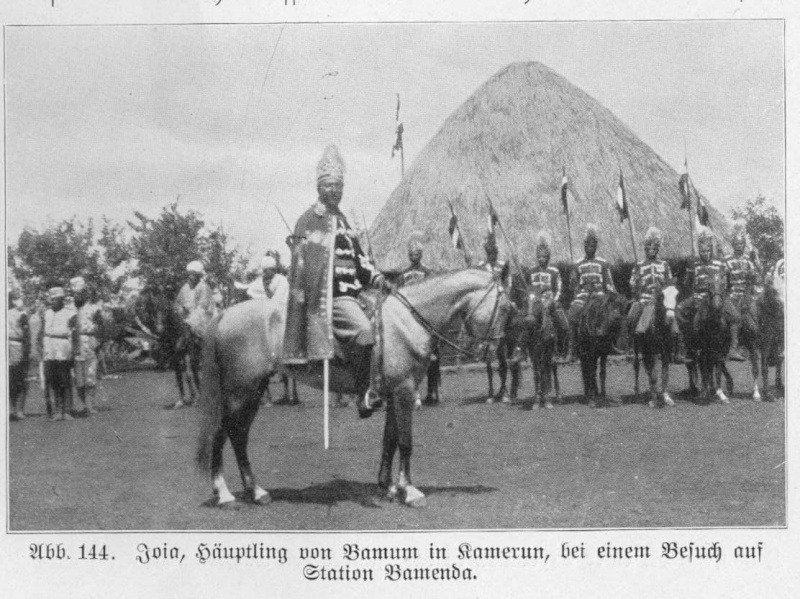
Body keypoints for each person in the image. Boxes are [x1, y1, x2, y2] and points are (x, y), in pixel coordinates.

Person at [283, 144, 389, 418]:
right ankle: (363, 394)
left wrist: (376, 278)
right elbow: (302, 265)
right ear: (319, 187)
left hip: (355, 293)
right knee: (365, 332)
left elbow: (359, 259)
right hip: (333, 297)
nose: (334, 191)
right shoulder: (309, 219)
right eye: (329, 186)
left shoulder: (344, 221)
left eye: (338, 186)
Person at [676, 229, 741, 360]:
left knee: (736, 316)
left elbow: (727, 281)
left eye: (707, 251)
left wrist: (722, 294)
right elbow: (688, 284)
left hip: (717, 297)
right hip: (699, 297)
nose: (705, 254)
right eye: (702, 252)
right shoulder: (694, 264)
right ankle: (682, 350)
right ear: (699, 252)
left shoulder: (720, 263)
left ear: (711, 250)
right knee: (678, 311)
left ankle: (733, 349)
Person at [626, 226, 686, 363]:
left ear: (658, 248)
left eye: (654, 247)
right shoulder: (639, 265)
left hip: (661, 300)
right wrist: (635, 285)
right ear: (645, 248)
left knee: (676, 316)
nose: (651, 250)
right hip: (645, 300)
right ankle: (630, 347)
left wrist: (665, 286)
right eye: (648, 247)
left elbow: (670, 283)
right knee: (631, 317)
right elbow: (632, 283)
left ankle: (678, 350)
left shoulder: (664, 264)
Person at [565, 224, 617, 363]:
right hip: (583, 296)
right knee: (572, 314)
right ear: (584, 245)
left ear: (596, 246)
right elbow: (574, 287)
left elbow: (609, 283)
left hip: (599, 295)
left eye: (593, 245)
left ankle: (611, 344)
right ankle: (573, 349)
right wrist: (573, 282)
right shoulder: (577, 264)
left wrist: (611, 293)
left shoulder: (603, 263)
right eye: (587, 245)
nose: (590, 248)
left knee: (613, 315)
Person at [398, 237, 439, 405]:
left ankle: (433, 390)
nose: (413, 256)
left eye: (416, 253)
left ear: (421, 255)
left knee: (433, 355)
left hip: (425, 316)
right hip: (409, 316)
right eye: (411, 253)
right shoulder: (403, 274)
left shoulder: (428, 272)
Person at [516, 231, 568, 363]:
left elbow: (559, 289)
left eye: (544, 257)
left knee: (563, 324)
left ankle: (561, 351)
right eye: (539, 256)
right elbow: (528, 289)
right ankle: (521, 350)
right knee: (521, 319)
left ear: (548, 257)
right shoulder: (531, 271)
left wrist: (554, 300)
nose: (541, 259)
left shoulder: (554, 271)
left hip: (549, 302)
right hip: (534, 304)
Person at [723, 227, 761, 361]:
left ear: (744, 246)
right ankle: (733, 349)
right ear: (733, 245)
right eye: (737, 244)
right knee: (735, 318)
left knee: (756, 317)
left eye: (741, 244)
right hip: (733, 294)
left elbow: (757, 278)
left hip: (746, 295)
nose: (739, 246)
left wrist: (754, 272)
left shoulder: (748, 260)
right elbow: (723, 279)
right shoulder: (727, 260)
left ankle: (755, 347)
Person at [40, 286, 77, 421]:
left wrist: (74, 350)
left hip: (63, 345)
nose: (54, 301)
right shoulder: (47, 313)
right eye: (52, 299)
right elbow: (41, 331)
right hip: (49, 347)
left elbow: (74, 332)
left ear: (62, 300)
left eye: (57, 299)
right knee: (53, 380)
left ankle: (67, 410)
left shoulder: (69, 313)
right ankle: (57, 410)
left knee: (65, 379)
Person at [70, 276, 104, 416]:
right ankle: (85, 404)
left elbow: (101, 327)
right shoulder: (70, 309)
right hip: (75, 344)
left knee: (91, 375)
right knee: (78, 379)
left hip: (90, 342)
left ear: (86, 293)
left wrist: (98, 344)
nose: (78, 296)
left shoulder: (94, 308)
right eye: (75, 294)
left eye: (81, 293)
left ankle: (89, 405)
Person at [174, 260, 214, 338]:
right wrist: (180, 310)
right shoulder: (185, 287)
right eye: (189, 274)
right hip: (184, 318)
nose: (190, 277)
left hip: (201, 321)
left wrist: (190, 322)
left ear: (199, 276)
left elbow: (202, 308)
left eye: (193, 275)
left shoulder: (203, 287)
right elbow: (178, 303)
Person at [8, 290, 31, 421]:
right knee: (10, 380)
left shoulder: (23, 314)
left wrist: (26, 351)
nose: (19, 301)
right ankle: (11, 409)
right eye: (16, 298)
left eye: (20, 298)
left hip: (18, 345)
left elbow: (26, 334)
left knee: (20, 379)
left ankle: (20, 409)